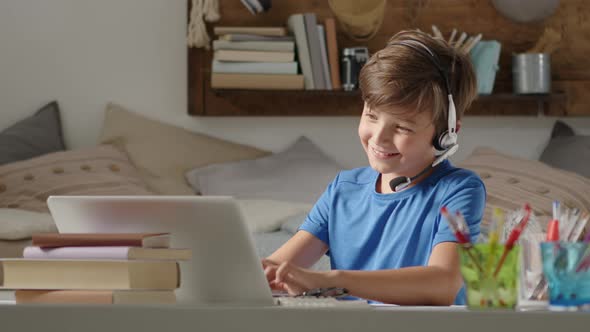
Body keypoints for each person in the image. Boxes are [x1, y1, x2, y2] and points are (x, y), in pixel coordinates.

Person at [262, 30, 485, 305]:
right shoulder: (343, 190)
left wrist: (333, 280)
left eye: (402, 127)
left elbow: (444, 283)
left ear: (447, 134)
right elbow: (276, 269)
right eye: (371, 116)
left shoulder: (459, 190)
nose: (379, 138)